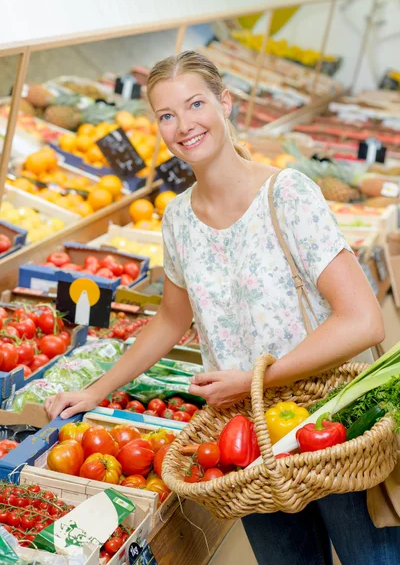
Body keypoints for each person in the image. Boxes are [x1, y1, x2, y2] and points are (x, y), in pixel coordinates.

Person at [45, 51, 400, 564]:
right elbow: (170, 320)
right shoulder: (178, 221)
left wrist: (258, 379)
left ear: (225, 103)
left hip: (331, 422)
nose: (184, 125)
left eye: (195, 105)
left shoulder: (288, 194)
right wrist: (95, 389)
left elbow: (362, 320)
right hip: (243, 440)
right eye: (167, 115)